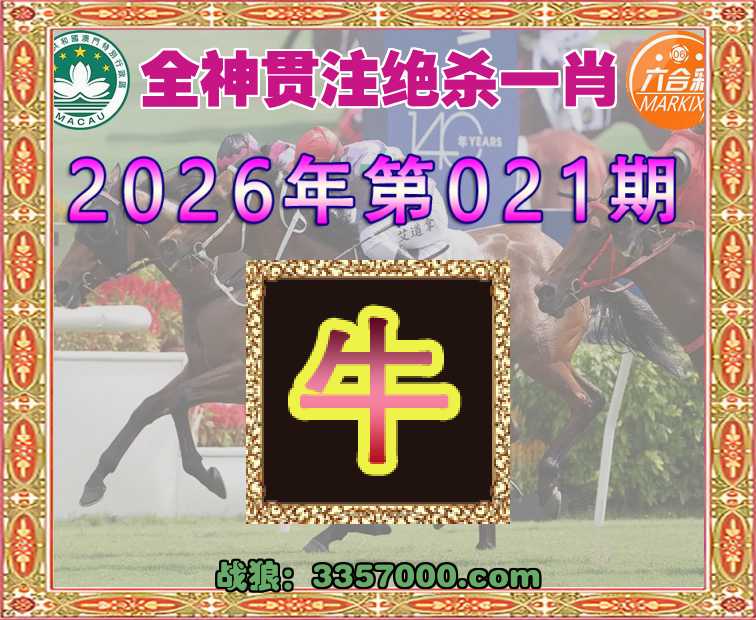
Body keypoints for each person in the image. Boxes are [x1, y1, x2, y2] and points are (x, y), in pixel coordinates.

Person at [292, 126, 483, 260]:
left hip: (424, 212)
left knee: (371, 238)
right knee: (357, 238)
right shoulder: (341, 167)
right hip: (401, 214)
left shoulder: (363, 161)